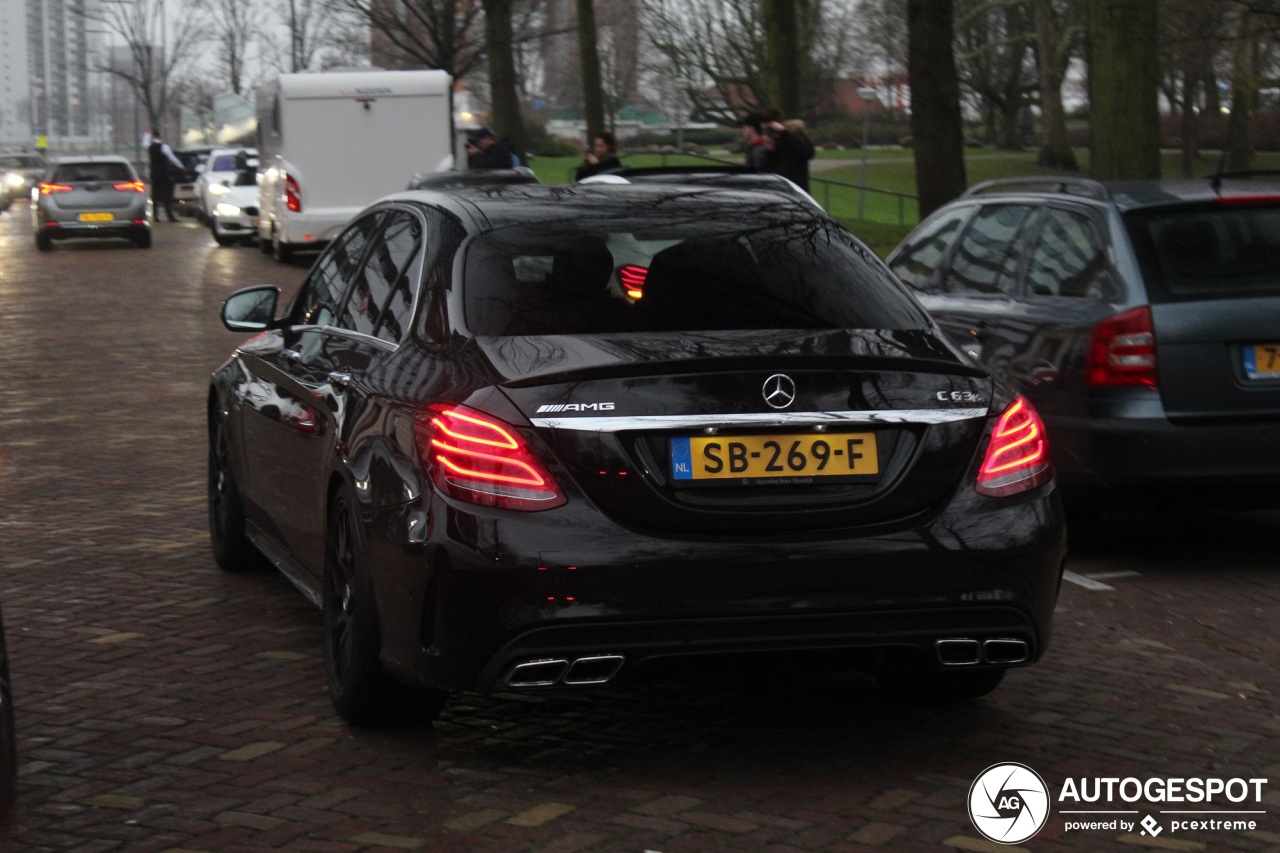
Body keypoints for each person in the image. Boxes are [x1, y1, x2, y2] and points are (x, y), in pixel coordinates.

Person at [760, 108, 816, 192]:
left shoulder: (794, 136)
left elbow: (808, 152)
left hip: (796, 192)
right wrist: (770, 151)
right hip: (778, 192)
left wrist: (784, 134)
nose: (768, 133)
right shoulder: (774, 146)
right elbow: (766, 172)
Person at [147, 128, 184, 222]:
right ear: (160, 137)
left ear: (153, 137)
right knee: (167, 195)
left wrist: (147, 132)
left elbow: (144, 142)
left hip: (154, 174)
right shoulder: (164, 147)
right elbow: (172, 158)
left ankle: (156, 216)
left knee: (155, 195)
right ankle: (169, 215)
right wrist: (181, 166)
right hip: (164, 174)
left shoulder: (150, 147)